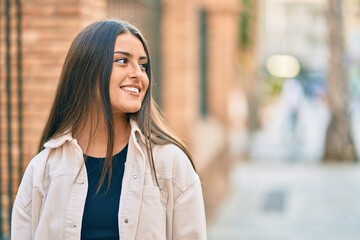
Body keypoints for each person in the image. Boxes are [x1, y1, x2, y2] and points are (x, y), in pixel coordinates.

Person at [11, 19, 207, 240]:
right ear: (87, 70)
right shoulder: (43, 170)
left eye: (143, 65)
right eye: (122, 61)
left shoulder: (170, 165)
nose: (139, 74)